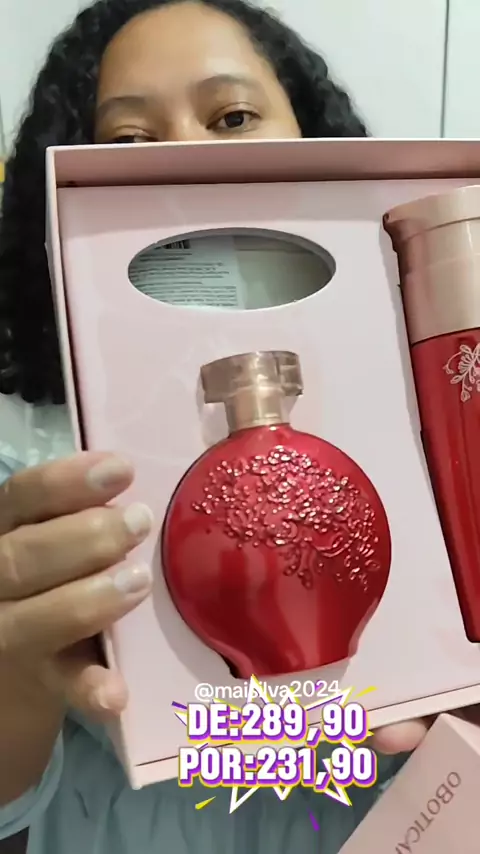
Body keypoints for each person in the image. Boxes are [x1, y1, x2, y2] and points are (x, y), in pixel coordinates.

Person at [0, 0, 445, 852]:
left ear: (308, 132)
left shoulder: (423, 382)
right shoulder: (26, 465)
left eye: (232, 116)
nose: (181, 152)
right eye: (128, 137)